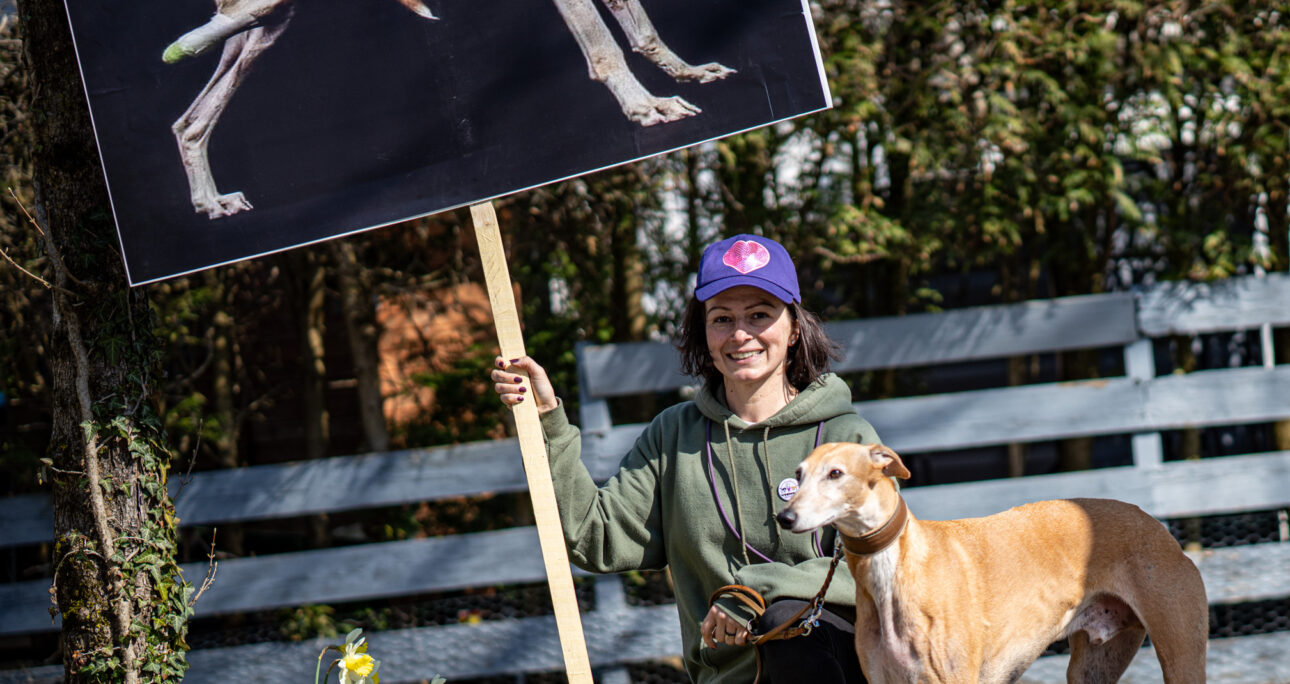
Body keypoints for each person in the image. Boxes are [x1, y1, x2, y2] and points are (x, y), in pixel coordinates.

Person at [490, 234, 878, 683]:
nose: (740, 334)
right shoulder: (673, 435)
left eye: (759, 315)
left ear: (793, 328)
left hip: (839, 668)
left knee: (788, 623)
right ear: (703, 332)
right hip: (726, 677)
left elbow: (873, 565)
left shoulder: (847, 438)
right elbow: (595, 537)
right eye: (722, 318)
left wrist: (754, 590)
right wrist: (548, 421)